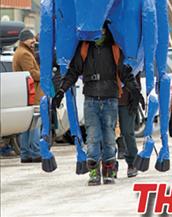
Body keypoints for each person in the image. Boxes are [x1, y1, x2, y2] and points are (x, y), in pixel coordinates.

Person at [51, 24, 141, 185]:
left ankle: (109, 169)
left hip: (110, 99)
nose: (100, 33)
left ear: (107, 30)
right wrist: (61, 91)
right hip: (91, 98)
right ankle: (93, 171)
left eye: (103, 29)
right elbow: (73, 71)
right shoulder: (84, 47)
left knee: (109, 136)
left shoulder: (114, 48)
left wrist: (135, 90)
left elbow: (124, 71)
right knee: (93, 137)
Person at [12, 29, 43, 163]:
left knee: (26, 125)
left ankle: (25, 154)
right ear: (25, 40)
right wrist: (45, 75)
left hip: (26, 94)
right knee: (34, 124)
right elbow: (31, 73)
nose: (34, 42)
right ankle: (35, 152)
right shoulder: (24, 54)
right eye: (32, 40)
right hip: (32, 94)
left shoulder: (20, 52)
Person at [117, 72, 143, 178]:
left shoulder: (131, 58)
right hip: (107, 99)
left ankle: (132, 162)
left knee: (127, 132)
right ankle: (110, 164)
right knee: (107, 134)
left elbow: (136, 77)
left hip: (126, 101)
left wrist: (136, 95)